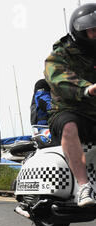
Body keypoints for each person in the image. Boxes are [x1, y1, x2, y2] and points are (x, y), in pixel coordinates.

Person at [44, 3, 96, 207]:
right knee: (69, 126)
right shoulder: (61, 53)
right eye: (93, 31)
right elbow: (56, 76)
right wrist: (86, 88)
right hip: (68, 111)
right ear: (81, 32)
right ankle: (84, 186)